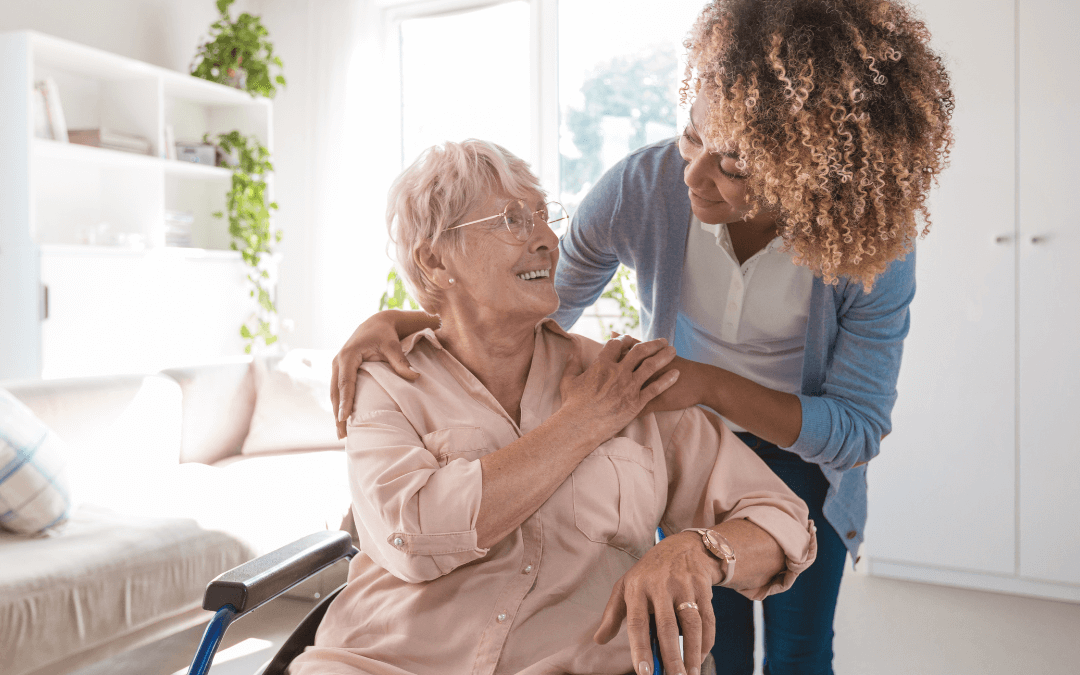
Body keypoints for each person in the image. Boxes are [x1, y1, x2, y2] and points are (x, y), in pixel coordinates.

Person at [330, 2, 954, 673]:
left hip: (800, 449)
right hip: (674, 422)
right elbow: (538, 297)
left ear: (810, 172)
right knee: (709, 646)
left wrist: (707, 383)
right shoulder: (646, 186)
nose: (693, 174)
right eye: (692, 135)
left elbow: (856, 426)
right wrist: (422, 316)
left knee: (800, 649)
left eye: (735, 163)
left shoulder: (871, 244)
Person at [292, 140, 816, 675]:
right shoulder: (387, 378)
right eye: (512, 220)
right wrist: (581, 424)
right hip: (377, 661)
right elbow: (417, 535)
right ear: (434, 259)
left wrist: (699, 550)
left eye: (545, 218)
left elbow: (784, 521)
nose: (546, 240)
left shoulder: (624, 380)